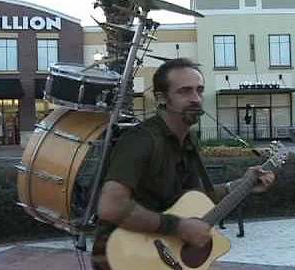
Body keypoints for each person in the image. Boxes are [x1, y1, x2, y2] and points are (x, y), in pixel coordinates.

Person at [91, 58, 275, 270]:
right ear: (161, 98)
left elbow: (191, 199)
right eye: (185, 92)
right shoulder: (141, 140)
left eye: (199, 90)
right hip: (123, 256)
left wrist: (243, 184)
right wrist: (179, 226)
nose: (196, 99)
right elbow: (111, 207)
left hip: (162, 255)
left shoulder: (188, 140)